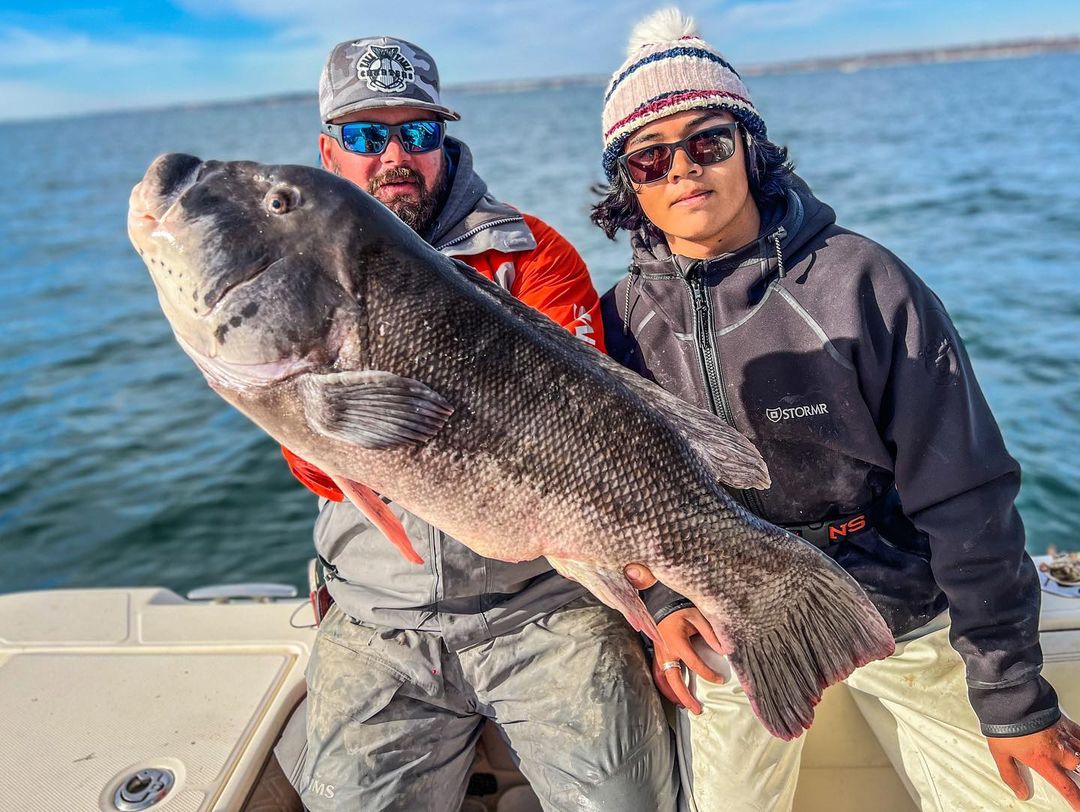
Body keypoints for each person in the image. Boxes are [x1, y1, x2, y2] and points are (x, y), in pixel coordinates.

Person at [594, 9, 1080, 812]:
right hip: (730, 613)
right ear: (629, 184)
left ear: (750, 145)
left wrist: (1013, 696)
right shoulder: (616, 324)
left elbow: (965, 494)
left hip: (900, 596)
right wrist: (665, 602)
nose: (682, 169)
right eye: (649, 158)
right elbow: (611, 495)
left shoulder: (862, 281)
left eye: (708, 141)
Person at [274, 36, 676, 812]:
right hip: (377, 616)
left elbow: (589, 439)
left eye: (416, 132)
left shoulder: (536, 256)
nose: (395, 153)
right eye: (366, 135)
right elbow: (318, 467)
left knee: (628, 800)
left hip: (542, 603)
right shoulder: (293, 273)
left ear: (444, 139)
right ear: (330, 151)